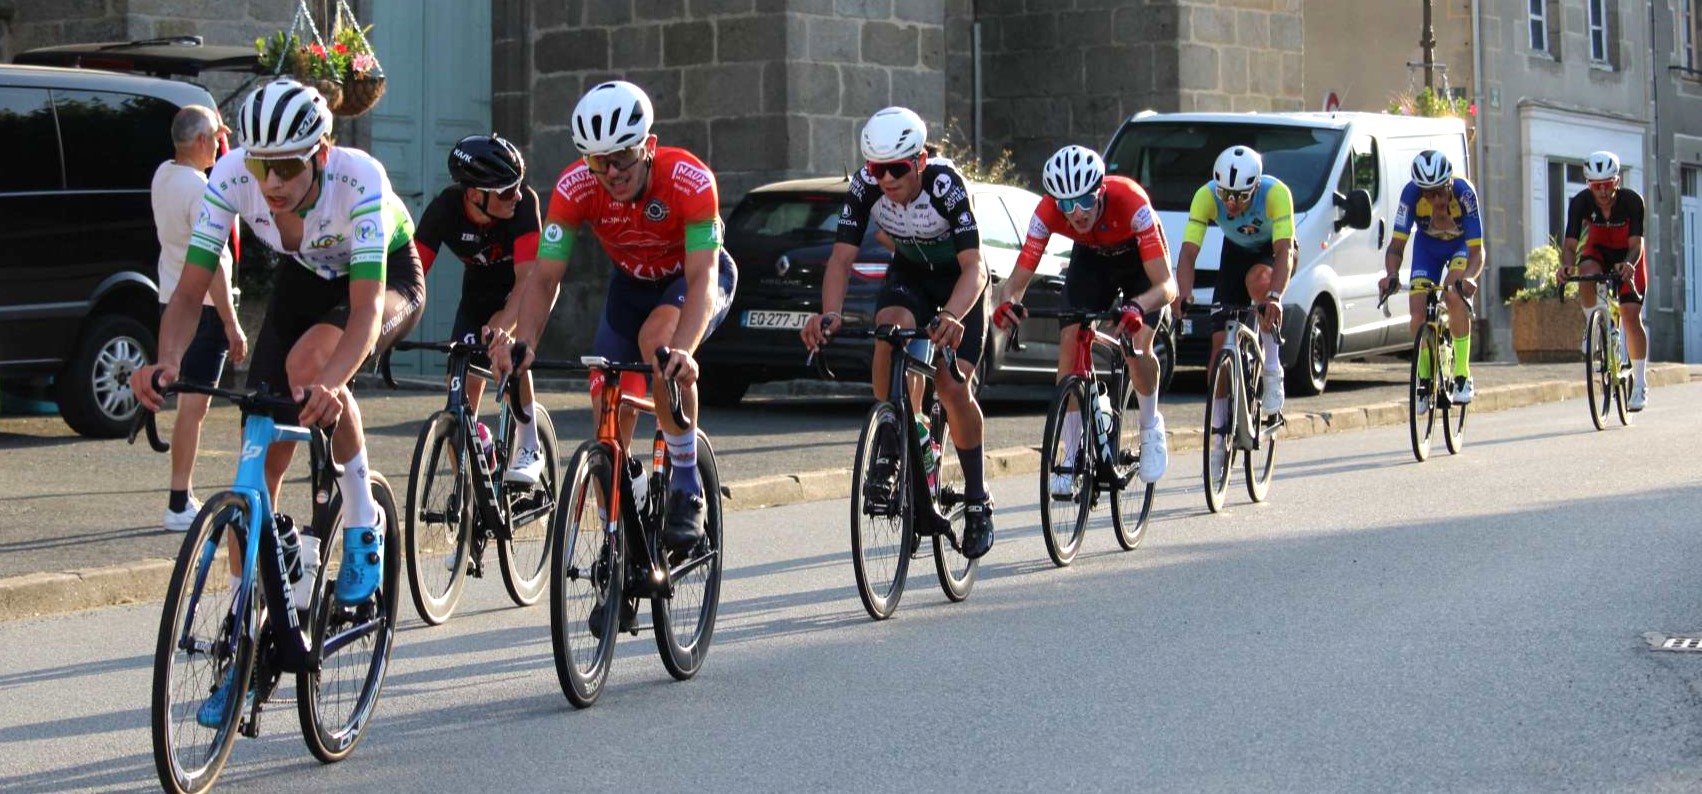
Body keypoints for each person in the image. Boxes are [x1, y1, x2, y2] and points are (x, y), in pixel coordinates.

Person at [132, 78, 426, 611]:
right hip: (306, 274)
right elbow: (189, 290)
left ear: (322, 154)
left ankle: (363, 518)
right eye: (259, 164)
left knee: (311, 365)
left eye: (287, 167)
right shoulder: (228, 175)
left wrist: (331, 384)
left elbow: (364, 311)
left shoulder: (358, 178)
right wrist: (166, 361)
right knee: (257, 455)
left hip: (383, 278)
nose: (271, 182)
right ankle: (244, 617)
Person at [491, 80, 738, 554]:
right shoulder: (575, 187)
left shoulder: (689, 179)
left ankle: (687, 483)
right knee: (607, 422)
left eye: (622, 157)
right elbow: (544, 277)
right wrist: (526, 343)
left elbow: (703, 275)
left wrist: (684, 351)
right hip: (630, 287)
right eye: (598, 161)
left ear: (648, 146)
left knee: (658, 344)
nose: (611, 172)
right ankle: (620, 540)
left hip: (691, 280)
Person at [799, 106, 996, 560]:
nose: (886, 179)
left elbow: (975, 266)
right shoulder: (865, 187)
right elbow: (841, 259)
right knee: (889, 329)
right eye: (877, 169)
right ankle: (894, 434)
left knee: (952, 387)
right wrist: (830, 314)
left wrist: (954, 314)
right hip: (911, 275)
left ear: (920, 161)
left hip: (959, 284)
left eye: (898, 169)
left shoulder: (946, 185)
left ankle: (977, 499)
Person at [992, 145, 1177, 491]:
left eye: (1085, 201)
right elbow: (1016, 281)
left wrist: (1138, 306)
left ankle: (1151, 425)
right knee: (1070, 340)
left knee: (1138, 345)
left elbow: (1167, 286)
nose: (1076, 213)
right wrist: (1008, 304)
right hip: (1092, 262)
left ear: (1100, 191)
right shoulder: (1046, 213)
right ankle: (1072, 451)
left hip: (1139, 264)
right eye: (1066, 205)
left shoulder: (1132, 203)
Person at [413, 133, 546, 481]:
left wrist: (504, 325)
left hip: (519, 291)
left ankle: (529, 443)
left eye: (517, 185)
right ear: (474, 195)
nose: (516, 195)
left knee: (510, 353)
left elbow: (528, 280)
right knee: (458, 396)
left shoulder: (524, 206)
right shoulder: (444, 210)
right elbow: (410, 276)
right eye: (506, 191)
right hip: (477, 297)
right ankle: (468, 491)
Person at [151, 105, 246, 531]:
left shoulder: (163, 176)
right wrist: (231, 323)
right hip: (204, 309)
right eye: (216, 138)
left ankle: (181, 495)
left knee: (186, 406)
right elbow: (217, 265)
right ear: (204, 141)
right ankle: (178, 502)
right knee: (194, 408)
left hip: (170, 299)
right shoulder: (203, 190)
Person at [1174, 145, 1296, 470]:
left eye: (1241, 196)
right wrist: (1184, 294)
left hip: (1272, 255)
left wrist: (1274, 297)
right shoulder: (1205, 196)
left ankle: (1272, 368)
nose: (1231, 203)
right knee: (1218, 352)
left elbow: (1285, 251)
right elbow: (1188, 252)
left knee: (1259, 282)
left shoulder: (1275, 194)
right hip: (1235, 254)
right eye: (1225, 194)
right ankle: (1218, 437)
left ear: (1254, 187)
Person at [1378, 150, 1484, 411]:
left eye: (1440, 191)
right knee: (1417, 315)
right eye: (1428, 193)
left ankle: (1462, 375)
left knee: (1453, 295)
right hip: (1428, 248)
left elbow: (1477, 251)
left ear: (1449, 183)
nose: (1436, 199)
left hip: (1460, 246)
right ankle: (1424, 377)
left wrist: (1469, 277)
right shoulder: (1410, 196)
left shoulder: (1465, 194)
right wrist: (1391, 275)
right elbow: (1396, 246)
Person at [1557, 150, 1650, 411]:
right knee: (1586, 273)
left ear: (1617, 181)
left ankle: (1640, 384)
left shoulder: (1632, 201)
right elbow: (1570, 245)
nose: (1603, 192)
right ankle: (1595, 325)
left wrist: (1629, 264)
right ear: (1588, 185)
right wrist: (1566, 266)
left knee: (1630, 315)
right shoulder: (1580, 202)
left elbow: (1637, 244)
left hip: (1628, 256)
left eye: (1608, 184)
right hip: (1599, 251)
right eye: (1596, 186)